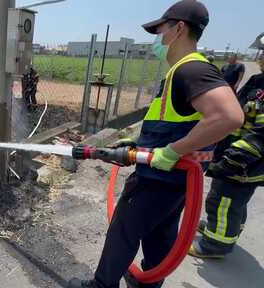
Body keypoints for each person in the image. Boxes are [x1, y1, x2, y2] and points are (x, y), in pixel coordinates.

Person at [68, 1, 244, 288]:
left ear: (178, 29)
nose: (156, 39)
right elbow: (178, 123)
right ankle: (147, 284)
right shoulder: (185, 71)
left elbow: (229, 116)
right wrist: (139, 141)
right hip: (175, 178)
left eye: (159, 30)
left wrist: (173, 151)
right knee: (159, 233)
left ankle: (101, 285)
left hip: (157, 176)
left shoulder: (191, 71)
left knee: (123, 231)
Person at [189, 53, 264, 259]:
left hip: (244, 164)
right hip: (246, 163)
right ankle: (227, 231)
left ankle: (215, 245)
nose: (261, 58)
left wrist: (233, 160)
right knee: (237, 202)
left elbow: (261, 135)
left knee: (223, 201)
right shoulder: (259, 82)